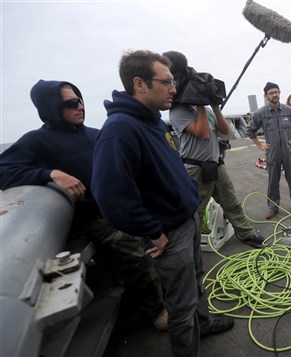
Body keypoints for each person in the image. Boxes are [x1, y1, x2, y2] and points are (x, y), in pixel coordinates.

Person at [91, 50, 233, 357]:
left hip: (187, 220)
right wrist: (152, 231)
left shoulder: (153, 121)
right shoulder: (119, 130)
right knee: (181, 306)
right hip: (168, 234)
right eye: (166, 81)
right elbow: (111, 198)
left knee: (196, 282)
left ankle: (204, 323)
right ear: (140, 83)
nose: (174, 88)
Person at [0, 79, 168, 330]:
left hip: (116, 207)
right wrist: (51, 174)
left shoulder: (96, 134)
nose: (80, 106)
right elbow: (4, 170)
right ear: (50, 109)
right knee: (135, 253)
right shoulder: (36, 140)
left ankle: (151, 294)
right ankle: (157, 312)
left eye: (80, 100)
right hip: (89, 218)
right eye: (70, 103)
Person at [164, 50, 265, 248]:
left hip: (216, 163)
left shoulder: (207, 109)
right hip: (195, 169)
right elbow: (202, 133)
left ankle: (246, 234)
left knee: (231, 202)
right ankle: (190, 249)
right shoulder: (177, 111)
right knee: (196, 211)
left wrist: (214, 106)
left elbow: (224, 131)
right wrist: (199, 104)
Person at [246, 82, 291, 220]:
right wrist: (260, 145)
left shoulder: (288, 110)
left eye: (276, 92)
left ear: (279, 92)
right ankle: (272, 207)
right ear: (266, 95)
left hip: (288, 151)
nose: (274, 95)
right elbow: (250, 130)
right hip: (272, 152)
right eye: (271, 93)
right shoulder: (260, 113)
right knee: (273, 180)